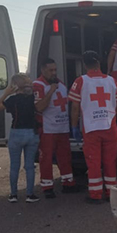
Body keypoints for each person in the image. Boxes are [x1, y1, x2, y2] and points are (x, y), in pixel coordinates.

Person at [69, 51, 117, 204]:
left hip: (91, 128)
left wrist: (74, 127)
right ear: (99, 63)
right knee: (110, 161)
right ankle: (111, 193)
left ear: (85, 64)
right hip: (110, 127)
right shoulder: (112, 81)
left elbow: (75, 108)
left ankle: (95, 194)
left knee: (93, 162)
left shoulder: (80, 81)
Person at [0, 73, 41, 203]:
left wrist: (6, 93)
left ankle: (13, 195)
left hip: (16, 133)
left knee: (14, 166)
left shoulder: (12, 100)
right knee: (30, 166)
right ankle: (30, 195)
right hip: (32, 133)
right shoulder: (33, 98)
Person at [33, 58, 77, 198]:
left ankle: (68, 183)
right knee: (45, 158)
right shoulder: (38, 85)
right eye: (50, 70)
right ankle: (47, 187)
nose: (53, 73)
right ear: (43, 70)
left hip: (62, 127)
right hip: (47, 129)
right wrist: (51, 91)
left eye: (55, 70)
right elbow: (39, 107)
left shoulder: (60, 84)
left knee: (65, 157)